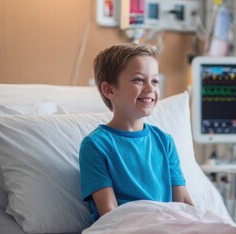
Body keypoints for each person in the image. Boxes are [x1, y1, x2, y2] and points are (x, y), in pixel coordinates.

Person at [79, 43, 193, 223]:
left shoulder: (165, 141)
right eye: (139, 80)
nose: (150, 88)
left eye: (154, 81)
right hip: (124, 228)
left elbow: (184, 202)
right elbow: (109, 214)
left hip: (167, 225)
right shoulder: (95, 145)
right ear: (109, 90)